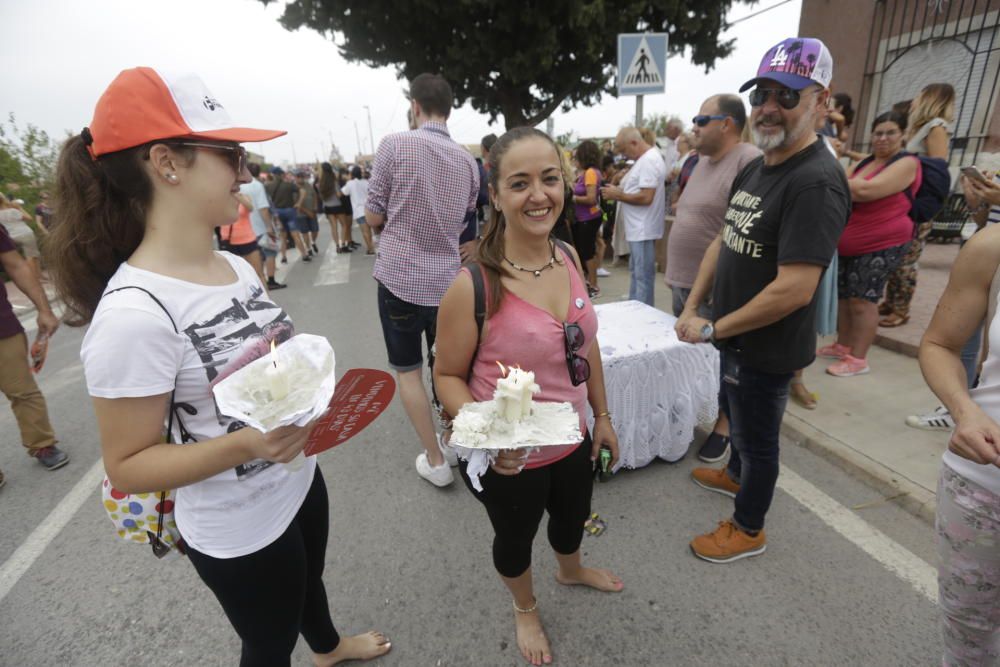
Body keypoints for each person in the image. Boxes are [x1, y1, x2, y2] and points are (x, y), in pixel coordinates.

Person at [46, 67, 389, 665]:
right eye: (230, 154)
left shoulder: (236, 267)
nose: (246, 172)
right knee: (267, 642)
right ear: (166, 163)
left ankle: (329, 648)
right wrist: (249, 446)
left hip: (300, 478)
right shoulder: (133, 315)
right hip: (237, 527)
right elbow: (128, 464)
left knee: (312, 580)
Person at [434, 127, 623, 667]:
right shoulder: (472, 285)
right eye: (520, 183)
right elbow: (447, 374)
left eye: (549, 179)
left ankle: (570, 568)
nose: (538, 195)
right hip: (512, 459)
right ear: (494, 195)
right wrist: (495, 434)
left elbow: (587, 346)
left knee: (572, 517)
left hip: (574, 435)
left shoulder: (565, 254)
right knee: (515, 538)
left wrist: (602, 415)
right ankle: (525, 606)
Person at [675, 37, 850, 562]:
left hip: (767, 346)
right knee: (736, 412)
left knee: (758, 441)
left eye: (787, 95)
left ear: (822, 101)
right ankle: (733, 477)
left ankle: (749, 527)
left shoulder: (817, 182)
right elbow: (721, 241)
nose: (769, 107)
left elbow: (795, 288)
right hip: (732, 336)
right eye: (762, 95)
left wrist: (714, 327)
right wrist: (694, 307)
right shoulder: (757, 165)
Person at [364, 73, 479, 487]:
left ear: (415, 106)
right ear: (449, 109)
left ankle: (434, 460)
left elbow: (374, 215)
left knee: (408, 370)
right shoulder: (468, 160)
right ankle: (450, 439)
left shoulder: (395, 145)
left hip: (400, 276)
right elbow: (467, 217)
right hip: (449, 280)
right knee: (447, 367)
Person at [918, 220, 1000, 666]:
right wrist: (964, 409)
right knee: (969, 640)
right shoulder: (991, 247)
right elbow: (939, 344)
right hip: (982, 490)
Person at [666, 94, 761, 462]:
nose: (694, 127)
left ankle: (725, 424)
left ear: (727, 123)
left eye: (701, 119)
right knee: (691, 357)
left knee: (725, 361)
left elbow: (736, 230)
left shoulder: (748, 161)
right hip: (684, 280)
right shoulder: (701, 161)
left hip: (717, 285)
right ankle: (697, 411)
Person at [820, 111, 919, 377]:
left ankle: (858, 359)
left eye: (890, 133)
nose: (883, 138)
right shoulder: (866, 163)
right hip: (849, 243)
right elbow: (845, 185)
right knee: (844, 298)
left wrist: (830, 177)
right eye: (878, 133)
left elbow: (866, 191)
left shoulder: (907, 163)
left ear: (903, 135)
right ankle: (843, 345)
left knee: (864, 300)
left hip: (882, 242)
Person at [879, 82, 955, 328]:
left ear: (930, 99)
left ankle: (901, 309)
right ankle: (891, 302)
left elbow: (937, 169)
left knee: (907, 258)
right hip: (906, 200)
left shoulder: (937, 127)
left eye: (920, 96)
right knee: (897, 253)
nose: (914, 101)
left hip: (918, 203)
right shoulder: (922, 128)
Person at [0, 224, 67, 487]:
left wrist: (44, 309)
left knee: (22, 391)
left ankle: (42, 445)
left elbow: (16, 265)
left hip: (2, 328)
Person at [600, 127, 666, 306]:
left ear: (634, 143)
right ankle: (635, 306)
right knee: (638, 273)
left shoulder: (649, 160)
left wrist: (618, 195)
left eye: (623, 150)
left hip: (642, 228)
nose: (623, 155)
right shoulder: (645, 159)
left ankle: (642, 314)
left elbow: (646, 197)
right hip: (639, 228)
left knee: (642, 275)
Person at [241, 163, 286, 290]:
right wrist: (269, 227)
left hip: (245, 228)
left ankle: (257, 282)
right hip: (260, 226)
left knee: (254, 257)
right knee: (270, 252)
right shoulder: (257, 186)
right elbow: (263, 208)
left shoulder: (239, 186)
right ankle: (270, 280)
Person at [569, 140, 603, 296]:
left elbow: (591, 198)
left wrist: (572, 198)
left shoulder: (590, 173)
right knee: (588, 251)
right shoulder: (591, 172)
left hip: (587, 218)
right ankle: (591, 282)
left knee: (587, 252)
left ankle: (594, 285)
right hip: (588, 217)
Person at [220, 194, 268, 288]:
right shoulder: (220, 199)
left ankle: (266, 299)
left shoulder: (243, 196)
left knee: (258, 273)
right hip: (228, 241)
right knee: (235, 277)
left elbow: (250, 208)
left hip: (247, 239)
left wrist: (236, 196)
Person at [267, 167, 311, 263]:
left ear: (273, 175)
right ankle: (304, 255)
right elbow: (303, 191)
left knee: (282, 236)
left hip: (277, 213)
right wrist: (299, 203)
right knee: (295, 234)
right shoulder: (289, 185)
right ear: (282, 175)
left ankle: (283, 257)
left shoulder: (268, 186)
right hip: (290, 211)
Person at [0, 194, 45, 281]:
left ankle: (39, 276)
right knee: (32, 256)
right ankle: (36, 277)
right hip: (25, 233)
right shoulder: (13, 211)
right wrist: (19, 207)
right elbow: (29, 218)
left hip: (11, 236)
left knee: (30, 255)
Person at [318, 162, 353, 254]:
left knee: (333, 227)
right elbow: (338, 194)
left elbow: (321, 197)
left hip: (328, 207)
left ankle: (337, 246)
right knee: (344, 225)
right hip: (337, 206)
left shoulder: (320, 183)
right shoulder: (334, 181)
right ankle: (343, 244)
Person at [341, 166, 374, 255]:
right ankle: (371, 247)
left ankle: (370, 249)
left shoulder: (350, 183)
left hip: (359, 211)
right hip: (368, 209)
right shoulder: (366, 182)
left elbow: (343, 192)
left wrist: (347, 179)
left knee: (364, 231)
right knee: (369, 231)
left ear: (352, 174)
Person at [294, 170, 320, 255]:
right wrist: (307, 211)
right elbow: (296, 203)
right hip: (301, 214)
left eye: (302, 177)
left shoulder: (308, 185)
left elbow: (315, 195)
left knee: (315, 230)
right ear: (296, 178)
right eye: (299, 177)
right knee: (305, 232)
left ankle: (313, 242)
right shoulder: (293, 188)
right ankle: (308, 248)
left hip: (312, 211)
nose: (301, 179)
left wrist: (315, 206)